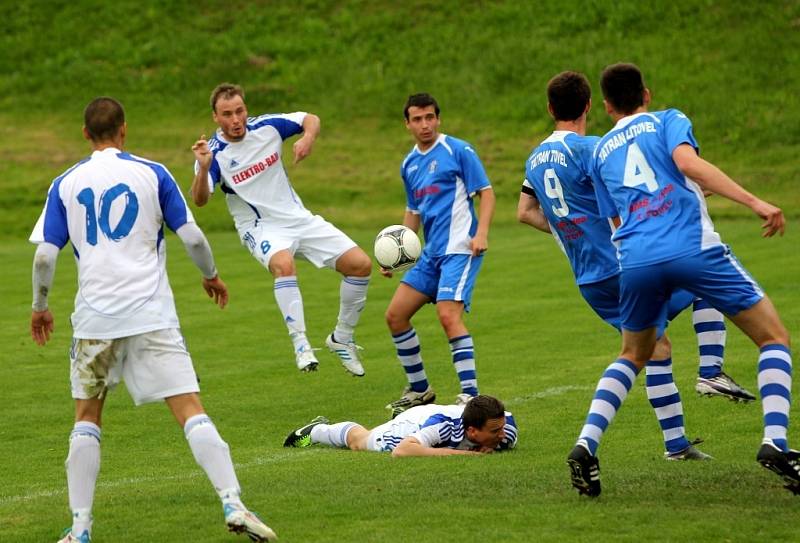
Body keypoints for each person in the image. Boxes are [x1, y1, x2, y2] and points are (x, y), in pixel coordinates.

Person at [29, 97, 277, 542]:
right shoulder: (153, 173)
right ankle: (233, 502)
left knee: (87, 418)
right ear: (124, 130)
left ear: (86, 134)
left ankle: (80, 529)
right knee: (189, 409)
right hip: (151, 315)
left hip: (94, 322)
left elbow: (46, 254)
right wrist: (212, 277)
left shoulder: (64, 183)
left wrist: (40, 305)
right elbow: (194, 237)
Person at [567, 63, 798, 497]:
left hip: (634, 261)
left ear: (607, 106)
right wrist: (755, 201)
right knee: (773, 339)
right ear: (646, 94)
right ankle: (775, 443)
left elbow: (616, 214)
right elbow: (688, 164)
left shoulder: (598, 152)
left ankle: (585, 446)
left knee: (633, 354)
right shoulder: (668, 120)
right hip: (692, 247)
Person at [518, 72, 754, 460]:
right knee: (703, 281)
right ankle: (711, 373)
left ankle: (676, 446)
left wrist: (572, 231)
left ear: (549, 108)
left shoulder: (534, 159)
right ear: (590, 105)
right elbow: (633, 189)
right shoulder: (590, 148)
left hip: (589, 279)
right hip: (626, 265)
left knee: (654, 348)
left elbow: (525, 212)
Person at [191, 83, 372, 376]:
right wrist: (202, 168)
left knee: (360, 266)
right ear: (215, 117)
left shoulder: (268, 127)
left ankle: (342, 338)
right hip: (260, 227)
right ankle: (301, 344)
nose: (235, 120)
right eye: (227, 114)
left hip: (298, 218)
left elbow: (309, 118)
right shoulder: (213, 153)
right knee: (283, 265)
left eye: (239, 111)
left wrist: (308, 138)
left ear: (246, 110)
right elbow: (200, 200)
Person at [383, 93, 496, 417]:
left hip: (461, 249)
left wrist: (482, 233)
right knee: (395, 316)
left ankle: (470, 397)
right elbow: (413, 212)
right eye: (417, 119)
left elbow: (486, 194)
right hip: (431, 255)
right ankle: (420, 390)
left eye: (430, 117)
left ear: (438, 118)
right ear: (407, 124)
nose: (425, 124)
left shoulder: (458, 150)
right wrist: (397, 256)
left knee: (448, 315)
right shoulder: (409, 164)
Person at [283, 394, 517, 456]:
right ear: (472, 431)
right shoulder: (445, 426)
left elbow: (505, 425)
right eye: (495, 431)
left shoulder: (506, 431)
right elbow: (403, 451)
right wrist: (467, 455)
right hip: (413, 426)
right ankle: (317, 430)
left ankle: (399, 414)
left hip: (429, 417)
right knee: (360, 442)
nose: (502, 434)